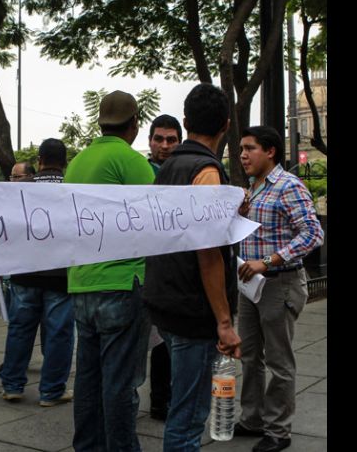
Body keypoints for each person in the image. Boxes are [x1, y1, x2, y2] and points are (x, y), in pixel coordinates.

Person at [142, 83, 242, 452]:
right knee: (188, 418)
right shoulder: (206, 171)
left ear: (185, 122)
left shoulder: (168, 168)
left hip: (165, 301)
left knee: (181, 408)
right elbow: (207, 251)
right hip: (193, 312)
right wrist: (225, 322)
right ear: (226, 126)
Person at [64, 90, 154, 452]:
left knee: (87, 380)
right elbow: (158, 216)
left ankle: (87, 446)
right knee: (119, 383)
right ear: (134, 124)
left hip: (82, 283)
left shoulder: (77, 163)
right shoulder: (129, 160)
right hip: (122, 282)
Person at [235, 126, 324, 452]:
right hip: (250, 286)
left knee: (279, 362)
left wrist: (269, 261)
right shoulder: (253, 187)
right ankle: (253, 419)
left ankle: (278, 430)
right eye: (242, 148)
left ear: (270, 151)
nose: (243, 154)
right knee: (249, 357)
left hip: (280, 283)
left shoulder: (289, 186)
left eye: (250, 148)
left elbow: (313, 235)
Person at [0, 139, 75, 407]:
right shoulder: (72, 189)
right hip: (60, 275)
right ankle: (52, 391)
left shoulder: (20, 189)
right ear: (64, 162)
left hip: (24, 271)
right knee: (59, 334)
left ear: (39, 161)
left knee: (20, 330)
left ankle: (12, 385)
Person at [145, 114, 183, 421]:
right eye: (159, 139)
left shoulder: (185, 172)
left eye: (171, 139)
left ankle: (162, 400)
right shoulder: (142, 172)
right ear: (149, 141)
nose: (165, 145)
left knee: (165, 342)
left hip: (174, 271)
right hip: (143, 269)